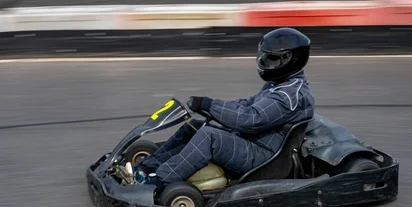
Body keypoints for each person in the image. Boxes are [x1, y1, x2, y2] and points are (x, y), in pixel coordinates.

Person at [133, 27, 315, 196]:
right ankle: (147, 168)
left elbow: (250, 119)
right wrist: (213, 107)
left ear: (289, 59)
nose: (265, 62)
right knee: (195, 126)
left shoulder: (289, 97)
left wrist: (209, 105)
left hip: (263, 158)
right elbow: (246, 104)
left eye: (272, 59)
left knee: (209, 137)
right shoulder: (280, 84)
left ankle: (156, 183)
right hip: (253, 142)